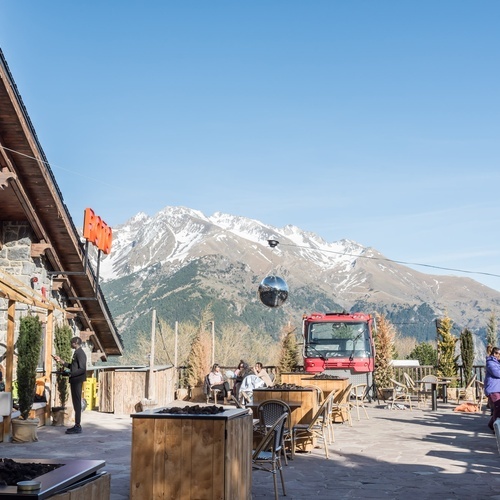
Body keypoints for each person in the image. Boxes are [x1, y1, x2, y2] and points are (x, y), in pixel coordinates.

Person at [52, 337, 87, 434]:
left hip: (77, 380)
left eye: (71, 342)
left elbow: (82, 369)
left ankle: (78, 425)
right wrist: (61, 361)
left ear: (76, 343)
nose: (70, 344)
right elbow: (72, 366)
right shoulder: (76, 353)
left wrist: (71, 374)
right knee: (75, 403)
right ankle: (76, 425)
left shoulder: (80, 353)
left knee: (77, 403)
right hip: (74, 380)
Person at [484, 346, 500, 433]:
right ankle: (495, 428)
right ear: (495, 354)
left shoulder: (497, 363)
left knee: (498, 408)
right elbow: (497, 373)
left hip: (497, 389)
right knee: (498, 407)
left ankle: (492, 424)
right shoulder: (490, 363)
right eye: (499, 354)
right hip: (493, 390)